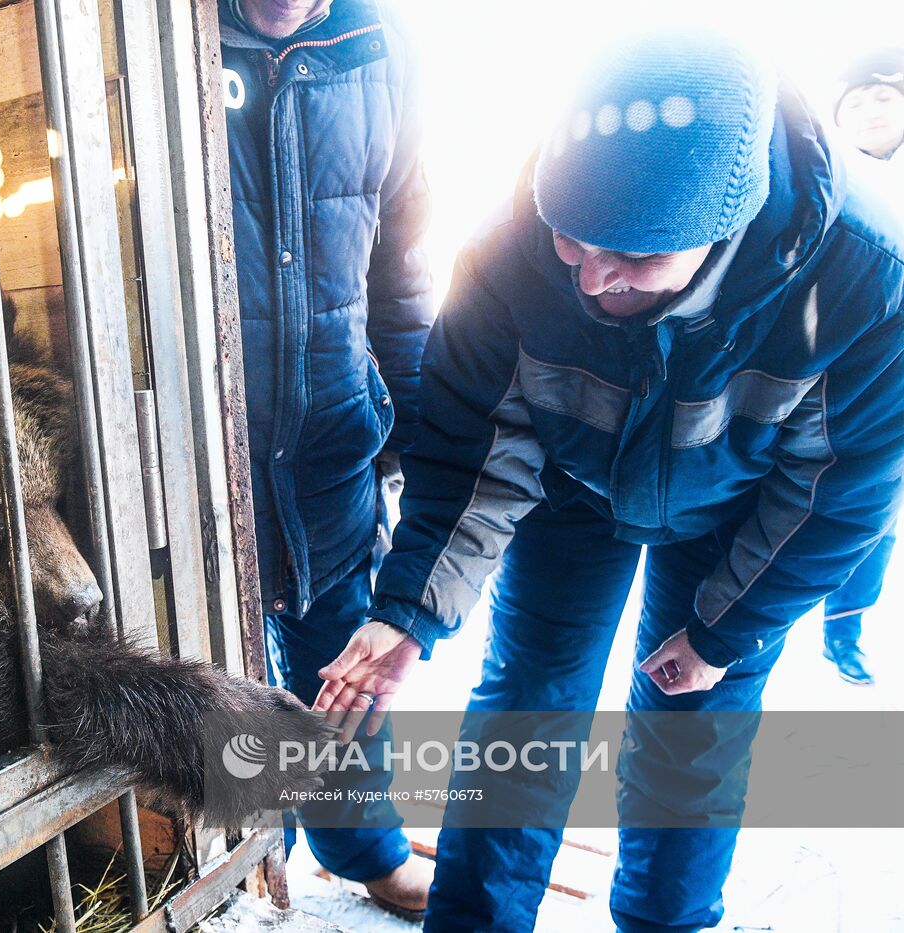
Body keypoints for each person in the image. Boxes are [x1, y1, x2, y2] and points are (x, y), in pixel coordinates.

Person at [314, 32, 904, 932]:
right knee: (527, 695)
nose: (589, 277)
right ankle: (474, 921)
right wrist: (411, 609)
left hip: (739, 513)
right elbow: (470, 444)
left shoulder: (868, 278)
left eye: (632, 258)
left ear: (725, 230)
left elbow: (842, 487)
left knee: (694, 712)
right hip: (570, 488)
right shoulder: (514, 250)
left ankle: (665, 921)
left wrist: (724, 628)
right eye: (572, 239)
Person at [219, 0, 437, 916]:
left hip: (330, 425)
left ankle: (363, 849)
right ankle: (234, 852)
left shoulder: (379, 47)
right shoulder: (161, 32)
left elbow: (402, 260)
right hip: (197, 427)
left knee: (339, 645)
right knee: (204, 649)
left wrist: (424, 423)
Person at [818, 47, 904, 684]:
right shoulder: (822, 176)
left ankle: (844, 629)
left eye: (885, 97)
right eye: (856, 101)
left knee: (874, 503)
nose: (871, 110)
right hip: (818, 361)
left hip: (892, 372)